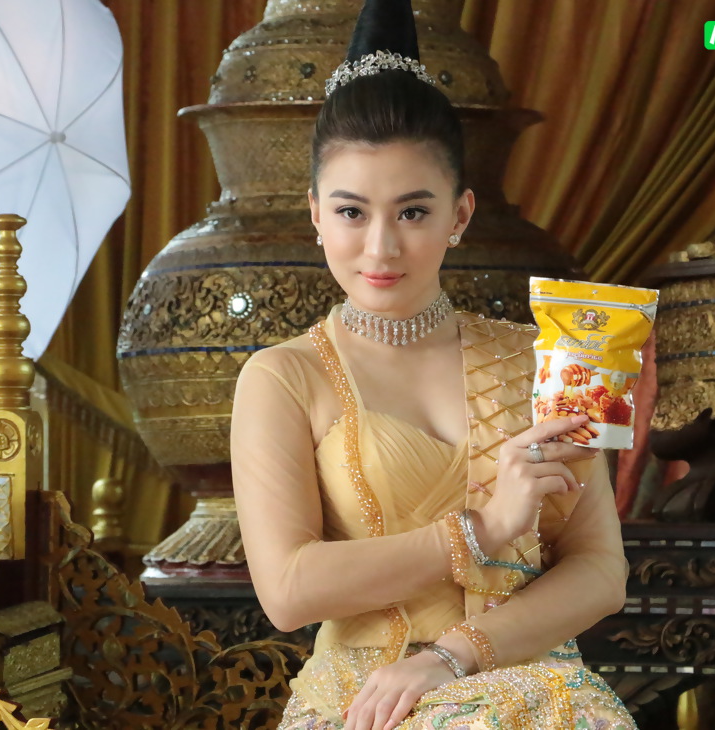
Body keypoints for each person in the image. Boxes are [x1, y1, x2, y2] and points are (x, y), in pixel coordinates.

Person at [231, 1, 637, 728]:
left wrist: (453, 655)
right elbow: (288, 590)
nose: (381, 247)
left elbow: (601, 571)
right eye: (352, 212)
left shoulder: (546, 358)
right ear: (316, 214)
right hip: (365, 701)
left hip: (532, 685)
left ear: (461, 215)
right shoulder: (282, 378)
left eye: (413, 212)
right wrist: (481, 529)